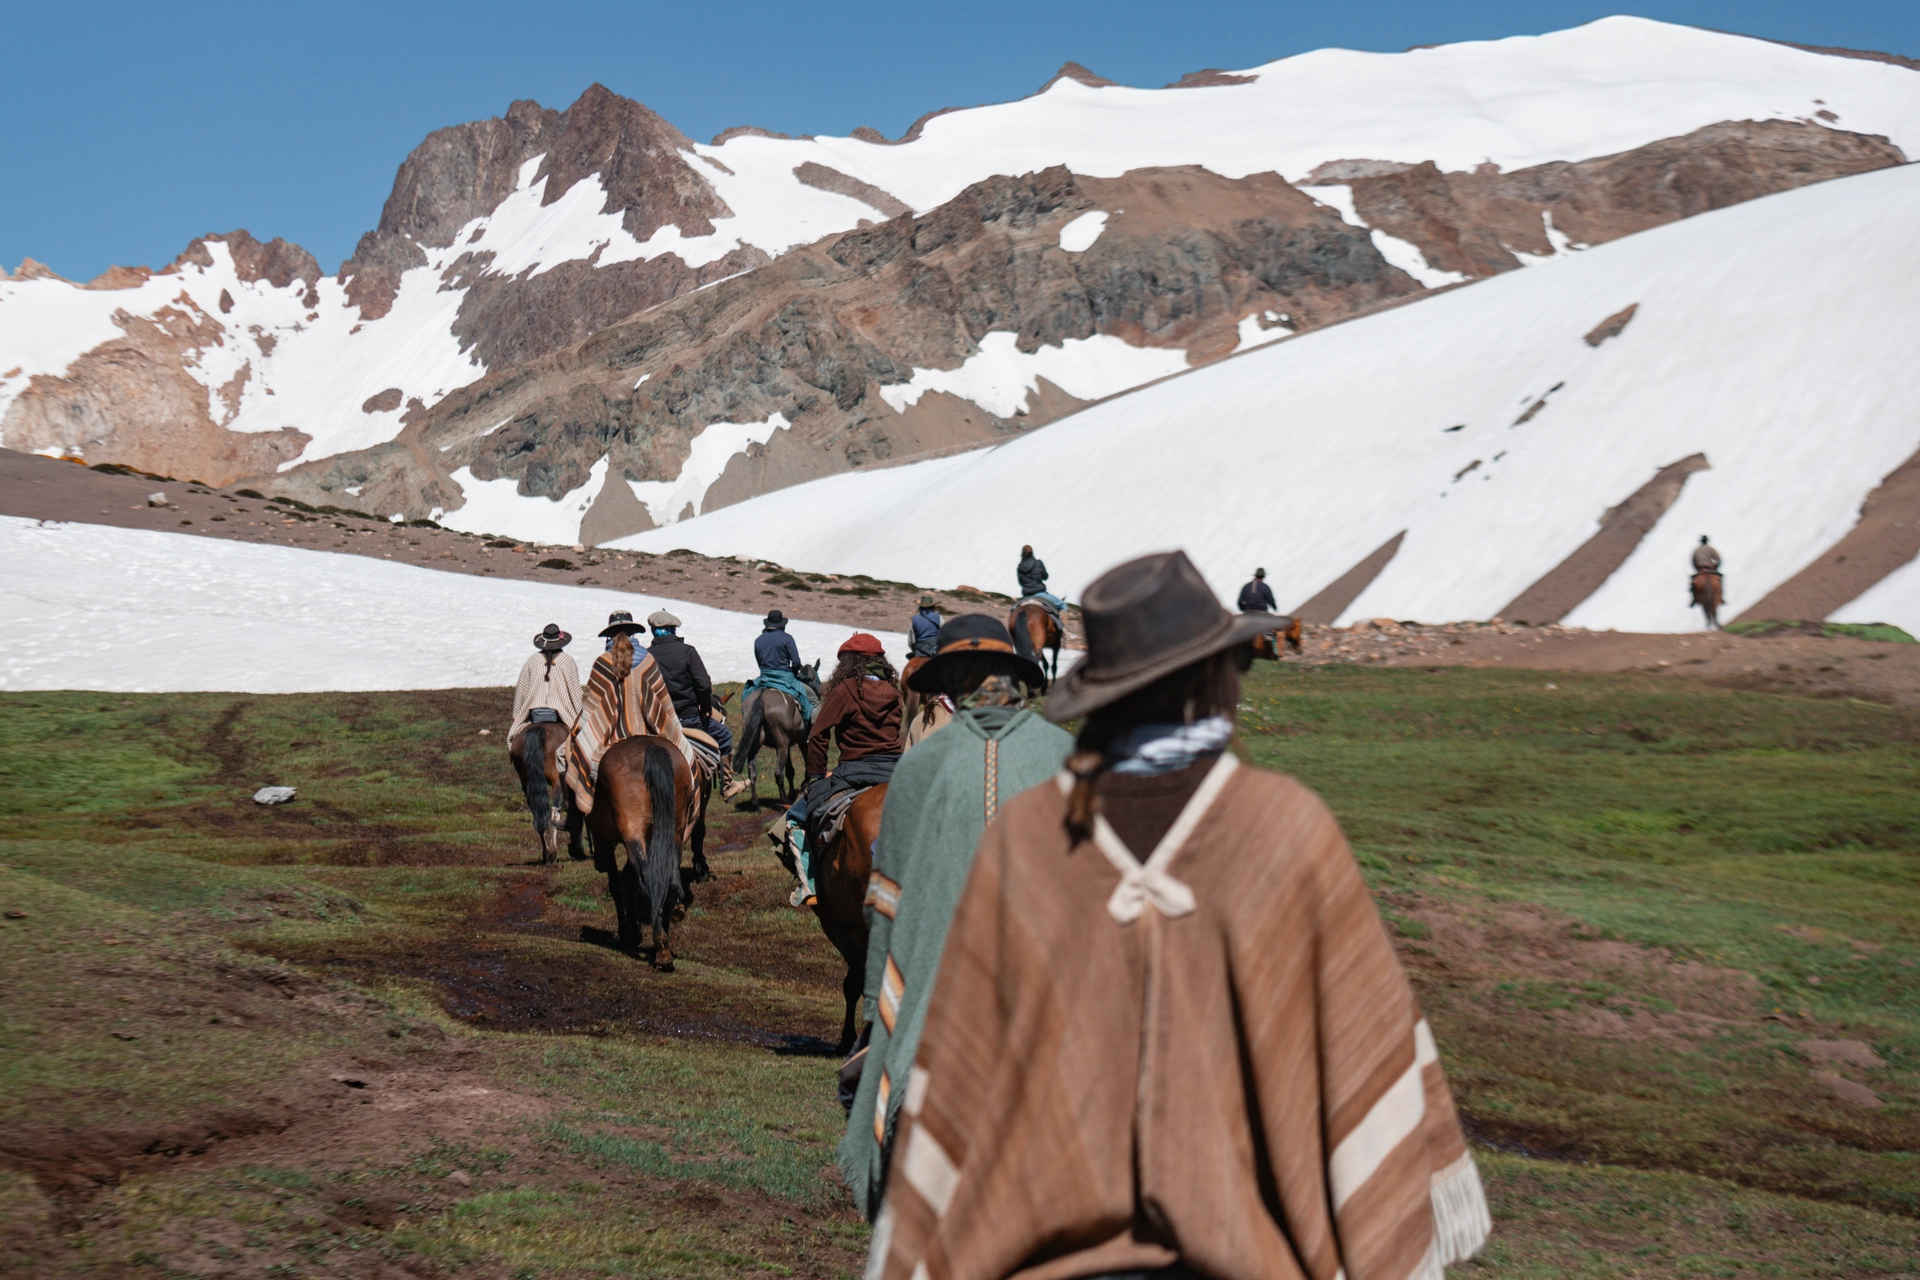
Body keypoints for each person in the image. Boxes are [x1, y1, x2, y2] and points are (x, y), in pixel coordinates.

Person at [867, 550, 1490, 1280]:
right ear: (1217, 681)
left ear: (1106, 696)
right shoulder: (1286, 828)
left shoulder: (1032, 840)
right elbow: (1363, 1057)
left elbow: (963, 1071)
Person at [838, 614, 1071, 1219]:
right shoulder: (1068, 758)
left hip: (936, 1032)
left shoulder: (920, 767)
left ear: (953, 683)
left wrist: (873, 1023)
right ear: (1013, 678)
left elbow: (887, 912)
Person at [784, 633, 903, 906]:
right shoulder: (894, 693)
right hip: (895, 773)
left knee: (795, 817)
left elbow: (818, 735)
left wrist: (815, 776)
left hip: (854, 772)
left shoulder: (846, 690)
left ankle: (809, 886)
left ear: (849, 663)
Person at [563, 612, 687, 817]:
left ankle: (572, 818)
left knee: (566, 756)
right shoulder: (648, 660)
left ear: (609, 636)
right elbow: (663, 702)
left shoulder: (603, 662)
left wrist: (577, 731)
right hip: (648, 728)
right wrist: (675, 727)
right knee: (689, 757)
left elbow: (591, 707)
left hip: (610, 734)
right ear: (633, 633)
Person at [646, 609, 734, 793]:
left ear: (654, 631)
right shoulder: (687, 652)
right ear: (673, 630)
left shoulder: (647, 655)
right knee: (725, 735)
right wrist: (705, 705)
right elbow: (703, 684)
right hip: (690, 718)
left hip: (660, 721)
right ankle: (728, 784)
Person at [508, 623, 582, 752]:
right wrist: (580, 716)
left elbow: (521, 691)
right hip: (561, 713)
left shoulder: (532, 660)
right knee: (581, 746)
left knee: (513, 737)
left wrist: (516, 716)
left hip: (534, 712)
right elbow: (575, 693)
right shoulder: (567, 661)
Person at [1015, 544, 1066, 614]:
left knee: (1014, 609)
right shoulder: (1038, 563)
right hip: (1040, 594)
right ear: (1032, 553)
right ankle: (1061, 624)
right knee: (1063, 605)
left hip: (1026, 596)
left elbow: (1021, 582)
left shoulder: (1020, 567)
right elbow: (1045, 576)